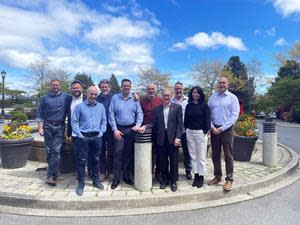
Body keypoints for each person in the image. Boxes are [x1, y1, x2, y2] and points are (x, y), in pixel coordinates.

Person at [71, 86, 107, 196]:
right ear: (87, 94)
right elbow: (74, 122)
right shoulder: (79, 107)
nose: (94, 96)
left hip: (97, 137)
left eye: (95, 94)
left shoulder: (101, 107)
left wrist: (101, 132)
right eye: (92, 94)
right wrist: (79, 135)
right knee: (82, 161)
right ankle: (81, 184)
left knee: (96, 159)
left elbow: (104, 121)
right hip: (83, 138)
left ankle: (95, 181)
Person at [108, 79, 143, 189]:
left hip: (131, 129)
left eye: (128, 86)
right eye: (124, 86)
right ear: (121, 86)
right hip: (119, 130)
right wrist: (114, 129)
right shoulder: (115, 98)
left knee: (128, 154)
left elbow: (140, 113)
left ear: (130, 86)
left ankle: (126, 176)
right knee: (117, 154)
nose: (126, 87)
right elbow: (111, 114)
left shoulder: (135, 99)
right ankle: (116, 178)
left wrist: (137, 125)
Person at [36, 79, 71, 186]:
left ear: (60, 86)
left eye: (57, 85)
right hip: (47, 127)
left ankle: (50, 176)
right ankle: (54, 171)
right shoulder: (44, 98)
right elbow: (39, 113)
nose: (55, 86)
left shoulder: (67, 97)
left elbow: (77, 99)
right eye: (53, 85)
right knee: (49, 151)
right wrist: (40, 127)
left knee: (56, 150)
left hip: (60, 127)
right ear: (51, 86)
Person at [207, 77, 240, 191]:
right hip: (214, 129)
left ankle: (229, 179)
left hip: (227, 130)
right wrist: (211, 127)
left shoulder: (232, 98)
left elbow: (234, 115)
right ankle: (217, 176)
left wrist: (222, 128)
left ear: (227, 84)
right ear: (218, 84)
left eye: (224, 82)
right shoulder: (212, 97)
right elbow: (208, 114)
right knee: (215, 155)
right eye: (220, 82)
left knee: (228, 155)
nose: (221, 84)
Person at [152, 88, 183, 192]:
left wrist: (178, 137)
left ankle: (173, 181)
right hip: (161, 139)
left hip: (173, 138)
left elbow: (180, 125)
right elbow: (154, 126)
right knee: (162, 161)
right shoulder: (157, 109)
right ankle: (164, 180)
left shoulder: (177, 107)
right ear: (161, 96)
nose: (166, 97)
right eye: (164, 95)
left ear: (171, 95)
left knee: (174, 161)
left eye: (168, 95)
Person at [184, 86, 211, 188]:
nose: (195, 94)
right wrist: (186, 128)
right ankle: (196, 175)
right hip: (190, 132)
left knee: (201, 157)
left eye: (198, 93)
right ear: (191, 94)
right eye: (194, 92)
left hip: (200, 133)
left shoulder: (204, 106)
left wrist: (206, 131)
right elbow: (185, 119)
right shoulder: (188, 106)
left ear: (200, 94)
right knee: (193, 156)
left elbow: (207, 120)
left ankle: (201, 177)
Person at [139, 83, 163, 180]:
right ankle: (147, 172)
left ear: (155, 90)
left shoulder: (160, 100)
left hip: (158, 130)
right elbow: (139, 114)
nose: (151, 91)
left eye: (153, 89)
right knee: (147, 152)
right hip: (145, 130)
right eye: (149, 89)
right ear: (146, 90)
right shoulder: (142, 101)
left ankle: (158, 173)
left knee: (158, 152)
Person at [171, 82, 192, 180]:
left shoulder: (188, 100)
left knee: (187, 152)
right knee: (173, 152)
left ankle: (188, 171)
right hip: (174, 132)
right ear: (174, 90)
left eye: (180, 89)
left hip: (186, 130)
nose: (178, 90)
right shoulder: (170, 101)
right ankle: (173, 172)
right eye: (176, 89)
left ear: (183, 89)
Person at [96, 79, 114, 181]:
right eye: (102, 87)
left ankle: (110, 171)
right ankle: (102, 172)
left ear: (109, 88)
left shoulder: (114, 98)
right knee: (101, 151)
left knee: (111, 151)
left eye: (106, 87)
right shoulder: (96, 98)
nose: (104, 88)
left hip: (112, 128)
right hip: (100, 129)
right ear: (100, 88)